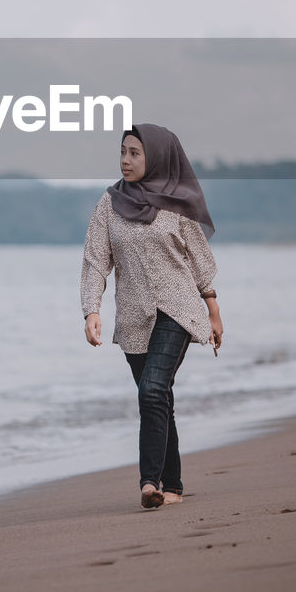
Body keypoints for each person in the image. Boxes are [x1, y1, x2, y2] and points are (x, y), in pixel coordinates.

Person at [81, 122, 223, 510]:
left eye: (135, 153)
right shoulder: (109, 204)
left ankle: (149, 482)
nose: (125, 161)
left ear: (156, 156)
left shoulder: (176, 204)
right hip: (132, 317)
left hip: (178, 309)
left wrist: (213, 310)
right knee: (158, 399)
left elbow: (199, 261)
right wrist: (91, 310)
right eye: (123, 152)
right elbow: (96, 262)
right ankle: (173, 485)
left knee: (152, 390)